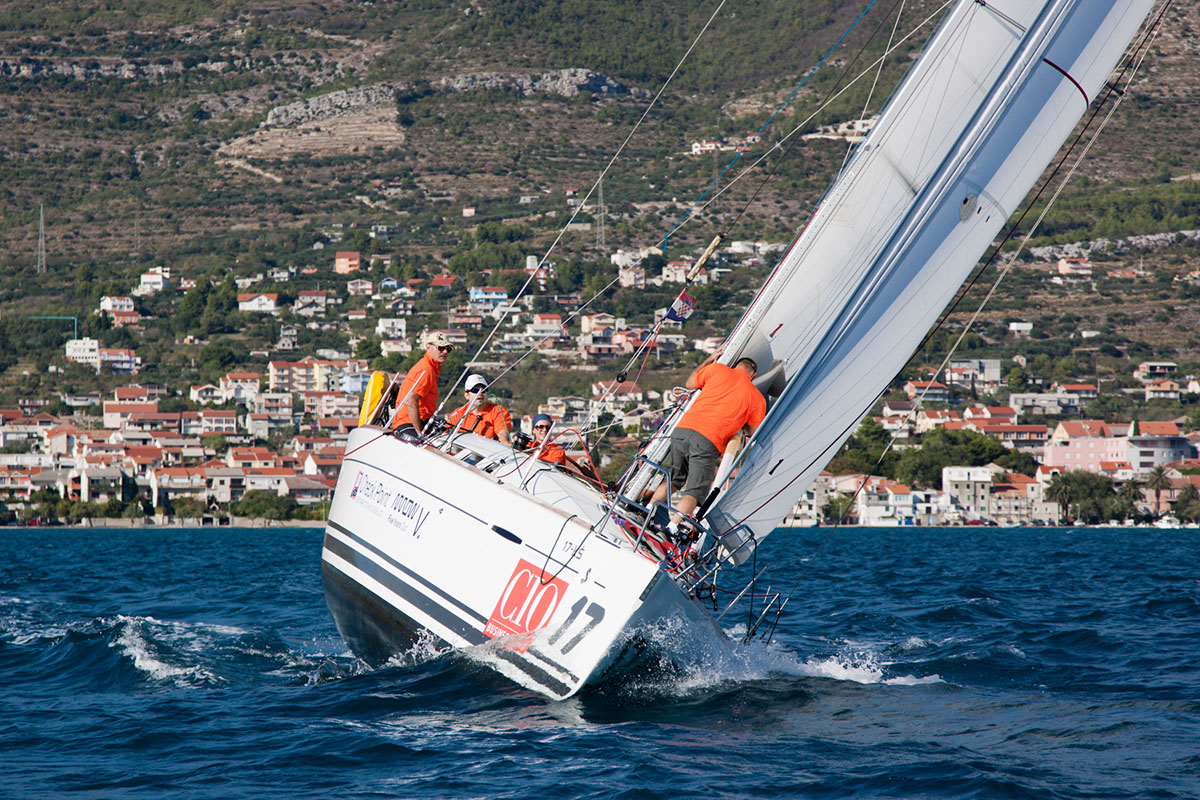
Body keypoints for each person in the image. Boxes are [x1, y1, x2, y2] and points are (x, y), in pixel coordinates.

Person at [651, 346, 766, 529]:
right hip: (708, 440)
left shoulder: (716, 369)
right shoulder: (757, 398)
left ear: (735, 366)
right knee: (695, 491)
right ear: (752, 375)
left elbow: (690, 383)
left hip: (682, 429)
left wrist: (709, 359)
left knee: (673, 478)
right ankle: (672, 528)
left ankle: (648, 510)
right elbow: (753, 431)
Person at [390, 331, 453, 439]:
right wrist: (420, 433)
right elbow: (411, 401)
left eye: (448, 349)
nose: (445, 351)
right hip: (409, 424)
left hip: (416, 422)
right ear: (428, 347)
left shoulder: (431, 368)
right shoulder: (426, 369)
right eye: (441, 348)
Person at [530, 414, 600, 482]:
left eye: (548, 427)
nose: (544, 429)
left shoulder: (557, 450)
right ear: (533, 430)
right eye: (540, 427)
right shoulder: (527, 446)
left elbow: (551, 470)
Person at [446, 374, 513, 444]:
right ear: (466, 395)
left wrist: (505, 441)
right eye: (475, 390)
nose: (480, 393)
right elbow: (444, 434)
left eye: (484, 390)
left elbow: (503, 436)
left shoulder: (498, 411)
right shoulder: (458, 413)